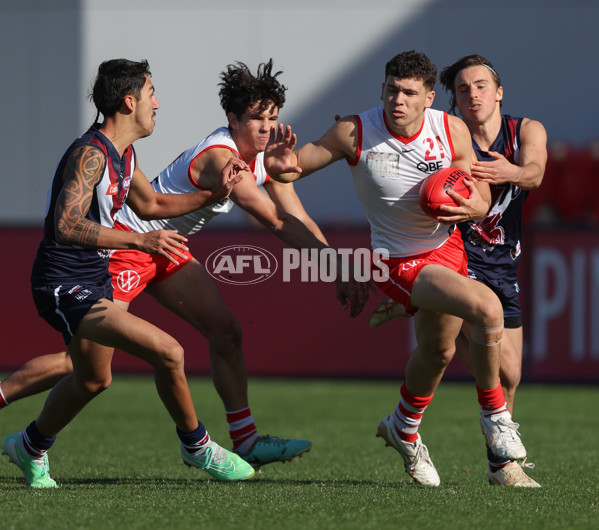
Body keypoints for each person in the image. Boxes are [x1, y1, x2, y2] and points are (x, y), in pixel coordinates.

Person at [0, 60, 369, 470]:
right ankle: (33, 436)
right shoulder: (217, 156)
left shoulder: (240, 161)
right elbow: (276, 221)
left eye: (273, 118)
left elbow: (292, 213)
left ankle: (244, 440)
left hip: (167, 247)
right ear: (232, 119)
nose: (266, 128)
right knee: (85, 367)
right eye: (256, 119)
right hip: (129, 251)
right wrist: (338, 267)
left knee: (225, 331)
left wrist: (286, 184)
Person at [263, 50, 530, 487]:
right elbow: (299, 163)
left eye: (409, 93)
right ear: (381, 91)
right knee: (486, 308)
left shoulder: (451, 129)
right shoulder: (355, 130)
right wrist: (281, 165)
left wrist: (467, 205)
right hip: (394, 262)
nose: (398, 100)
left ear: (429, 98)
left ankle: (403, 427)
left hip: (448, 253)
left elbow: (481, 198)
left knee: (438, 352)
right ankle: (495, 417)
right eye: (391, 90)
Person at [1, 59, 255, 489]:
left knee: (93, 378)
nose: (158, 103)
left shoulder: (123, 153)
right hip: (64, 284)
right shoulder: (90, 154)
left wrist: (214, 195)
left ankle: (29, 446)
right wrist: (139, 242)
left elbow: (151, 206)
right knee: (168, 351)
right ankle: (197, 445)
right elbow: (66, 224)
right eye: (152, 93)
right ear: (129, 100)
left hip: (92, 278)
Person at [368, 54, 547, 487]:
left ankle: (408, 311)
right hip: (453, 256)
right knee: (449, 351)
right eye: (463, 89)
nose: (473, 95)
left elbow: (537, 173)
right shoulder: (445, 133)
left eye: (481, 85)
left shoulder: (524, 131)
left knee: (510, 374)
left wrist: (512, 171)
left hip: (502, 260)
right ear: (452, 100)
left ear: (499, 91)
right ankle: (503, 465)